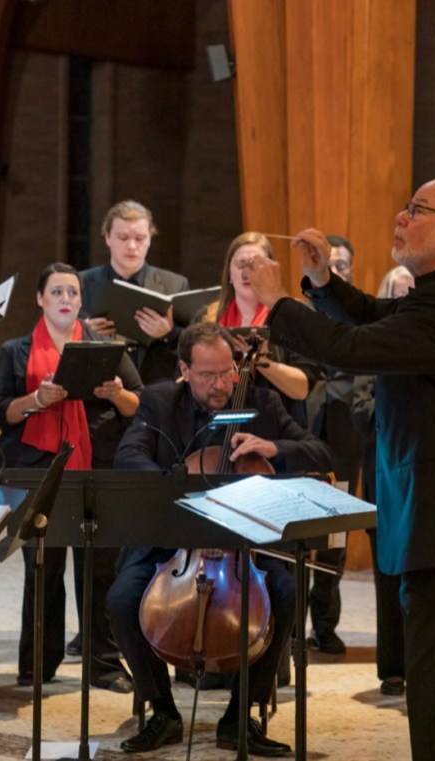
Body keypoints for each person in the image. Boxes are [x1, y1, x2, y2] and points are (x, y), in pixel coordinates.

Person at [244, 178, 435, 761]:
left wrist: (281, 301)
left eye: (416, 210)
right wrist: (324, 281)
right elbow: (374, 316)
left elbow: (354, 349)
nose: (400, 218)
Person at [107, 322, 331, 756]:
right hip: (172, 544)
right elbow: (128, 455)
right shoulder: (157, 401)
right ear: (184, 370)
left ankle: (241, 714)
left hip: (246, 544)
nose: (220, 384)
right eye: (207, 375)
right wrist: (175, 484)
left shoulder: (262, 401)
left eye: (227, 372)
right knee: (120, 600)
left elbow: (318, 451)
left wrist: (273, 449)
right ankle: (163, 711)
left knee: (285, 593)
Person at [0, 263, 142, 692]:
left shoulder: (105, 348)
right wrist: (36, 399)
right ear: (40, 299)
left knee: (98, 570)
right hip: (39, 470)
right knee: (43, 569)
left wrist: (117, 394)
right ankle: (38, 664)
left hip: (95, 467)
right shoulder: (15, 352)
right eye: (56, 292)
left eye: (72, 293)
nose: (66, 300)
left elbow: (137, 405)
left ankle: (104, 664)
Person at [350, 265, 414, 697]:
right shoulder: (372, 350)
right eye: (396, 293)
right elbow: (359, 410)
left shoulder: (431, 348)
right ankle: (393, 666)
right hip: (384, 474)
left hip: (426, 475)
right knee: (387, 572)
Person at [301, 234, 365, 655]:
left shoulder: (361, 319)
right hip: (302, 432)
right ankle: (286, 624)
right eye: (330, 264)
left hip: (345, 433)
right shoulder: (297, 317)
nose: (337, 270)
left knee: (334, 532)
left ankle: (325, 624)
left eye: (343, 265)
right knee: (292, 529)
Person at [199, 231, 321, 427]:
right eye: (241, 265)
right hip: (216, 424)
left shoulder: (293, 316)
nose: (247, 273)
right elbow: (184, 377)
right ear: (229, 273)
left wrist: (261, 361)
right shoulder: (206, 319)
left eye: (256, 265)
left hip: (274, 427)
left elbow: (302, 388)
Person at [80, 200, 191, 385]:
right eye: (123, 238)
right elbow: (57, 334)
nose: (132, 246)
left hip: (156, 388)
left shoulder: (175, 285)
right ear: (108, 237)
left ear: (149, 239)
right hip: (98, 388)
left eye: (140, 238)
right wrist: (84, 330)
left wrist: (168, 333)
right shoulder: (80, 283)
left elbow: (193, 345)